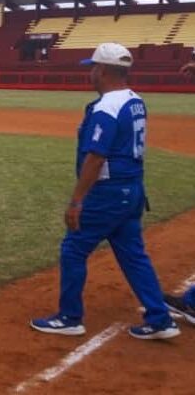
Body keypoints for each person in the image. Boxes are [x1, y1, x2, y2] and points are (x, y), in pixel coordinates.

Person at [31, 43, 179, 340]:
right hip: (132, 189)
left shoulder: (107, 107)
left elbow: (96, 157)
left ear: (104, 71)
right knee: (134, 255)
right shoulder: (135, 100)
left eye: (93, 67)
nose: (91, 73)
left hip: (108, 192)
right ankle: (160, 318)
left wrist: (76, 201)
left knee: (73, 249)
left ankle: (70, 316)